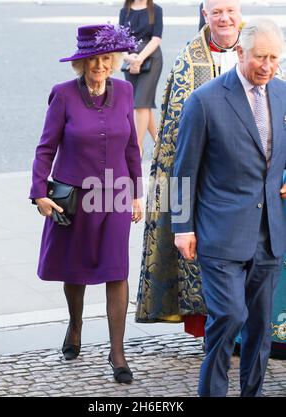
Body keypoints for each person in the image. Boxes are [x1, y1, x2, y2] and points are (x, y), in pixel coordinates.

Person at [173, 18, 286, 397]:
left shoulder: (284, 94)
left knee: (260, 327)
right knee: (230, 316)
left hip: (269, 235)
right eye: (260, 57)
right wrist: (181, 227)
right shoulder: (204, 101)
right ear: (240, 52)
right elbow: (182, 171)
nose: (268, 66)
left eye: (274, 58)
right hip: (219, 235)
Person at [29, 24, 143, 384]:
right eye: (93, 59)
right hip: (75, 198)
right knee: (75, 269)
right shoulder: (62, 95)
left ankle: (117, 352)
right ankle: (75, 326)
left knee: (116, 269)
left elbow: (132, 149)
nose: (100, 65)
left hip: (116, 195)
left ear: (114, 60)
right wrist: (38, 192)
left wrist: (138, 194)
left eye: (106, 58)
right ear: (81, 63)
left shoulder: (125, 91)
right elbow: (46, 147)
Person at [136, 0, 242, 336]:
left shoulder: (260, 51)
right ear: (204, 16)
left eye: (230, 10)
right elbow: (175, 132)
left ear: (240, 13)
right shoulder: (187, 60)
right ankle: (213, 331)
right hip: (207, 178)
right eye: (216, 12)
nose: (224, 18)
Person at [119, 0, 163, 156]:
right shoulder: (125, 10)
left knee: (141, 103)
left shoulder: (156, 10)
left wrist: (140, 59)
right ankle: (161, 143)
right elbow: (121, 40)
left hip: (151, 58)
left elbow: (156, 39)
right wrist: (128, 58)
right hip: (130, 59)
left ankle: (137, 148)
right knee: (141, 103)